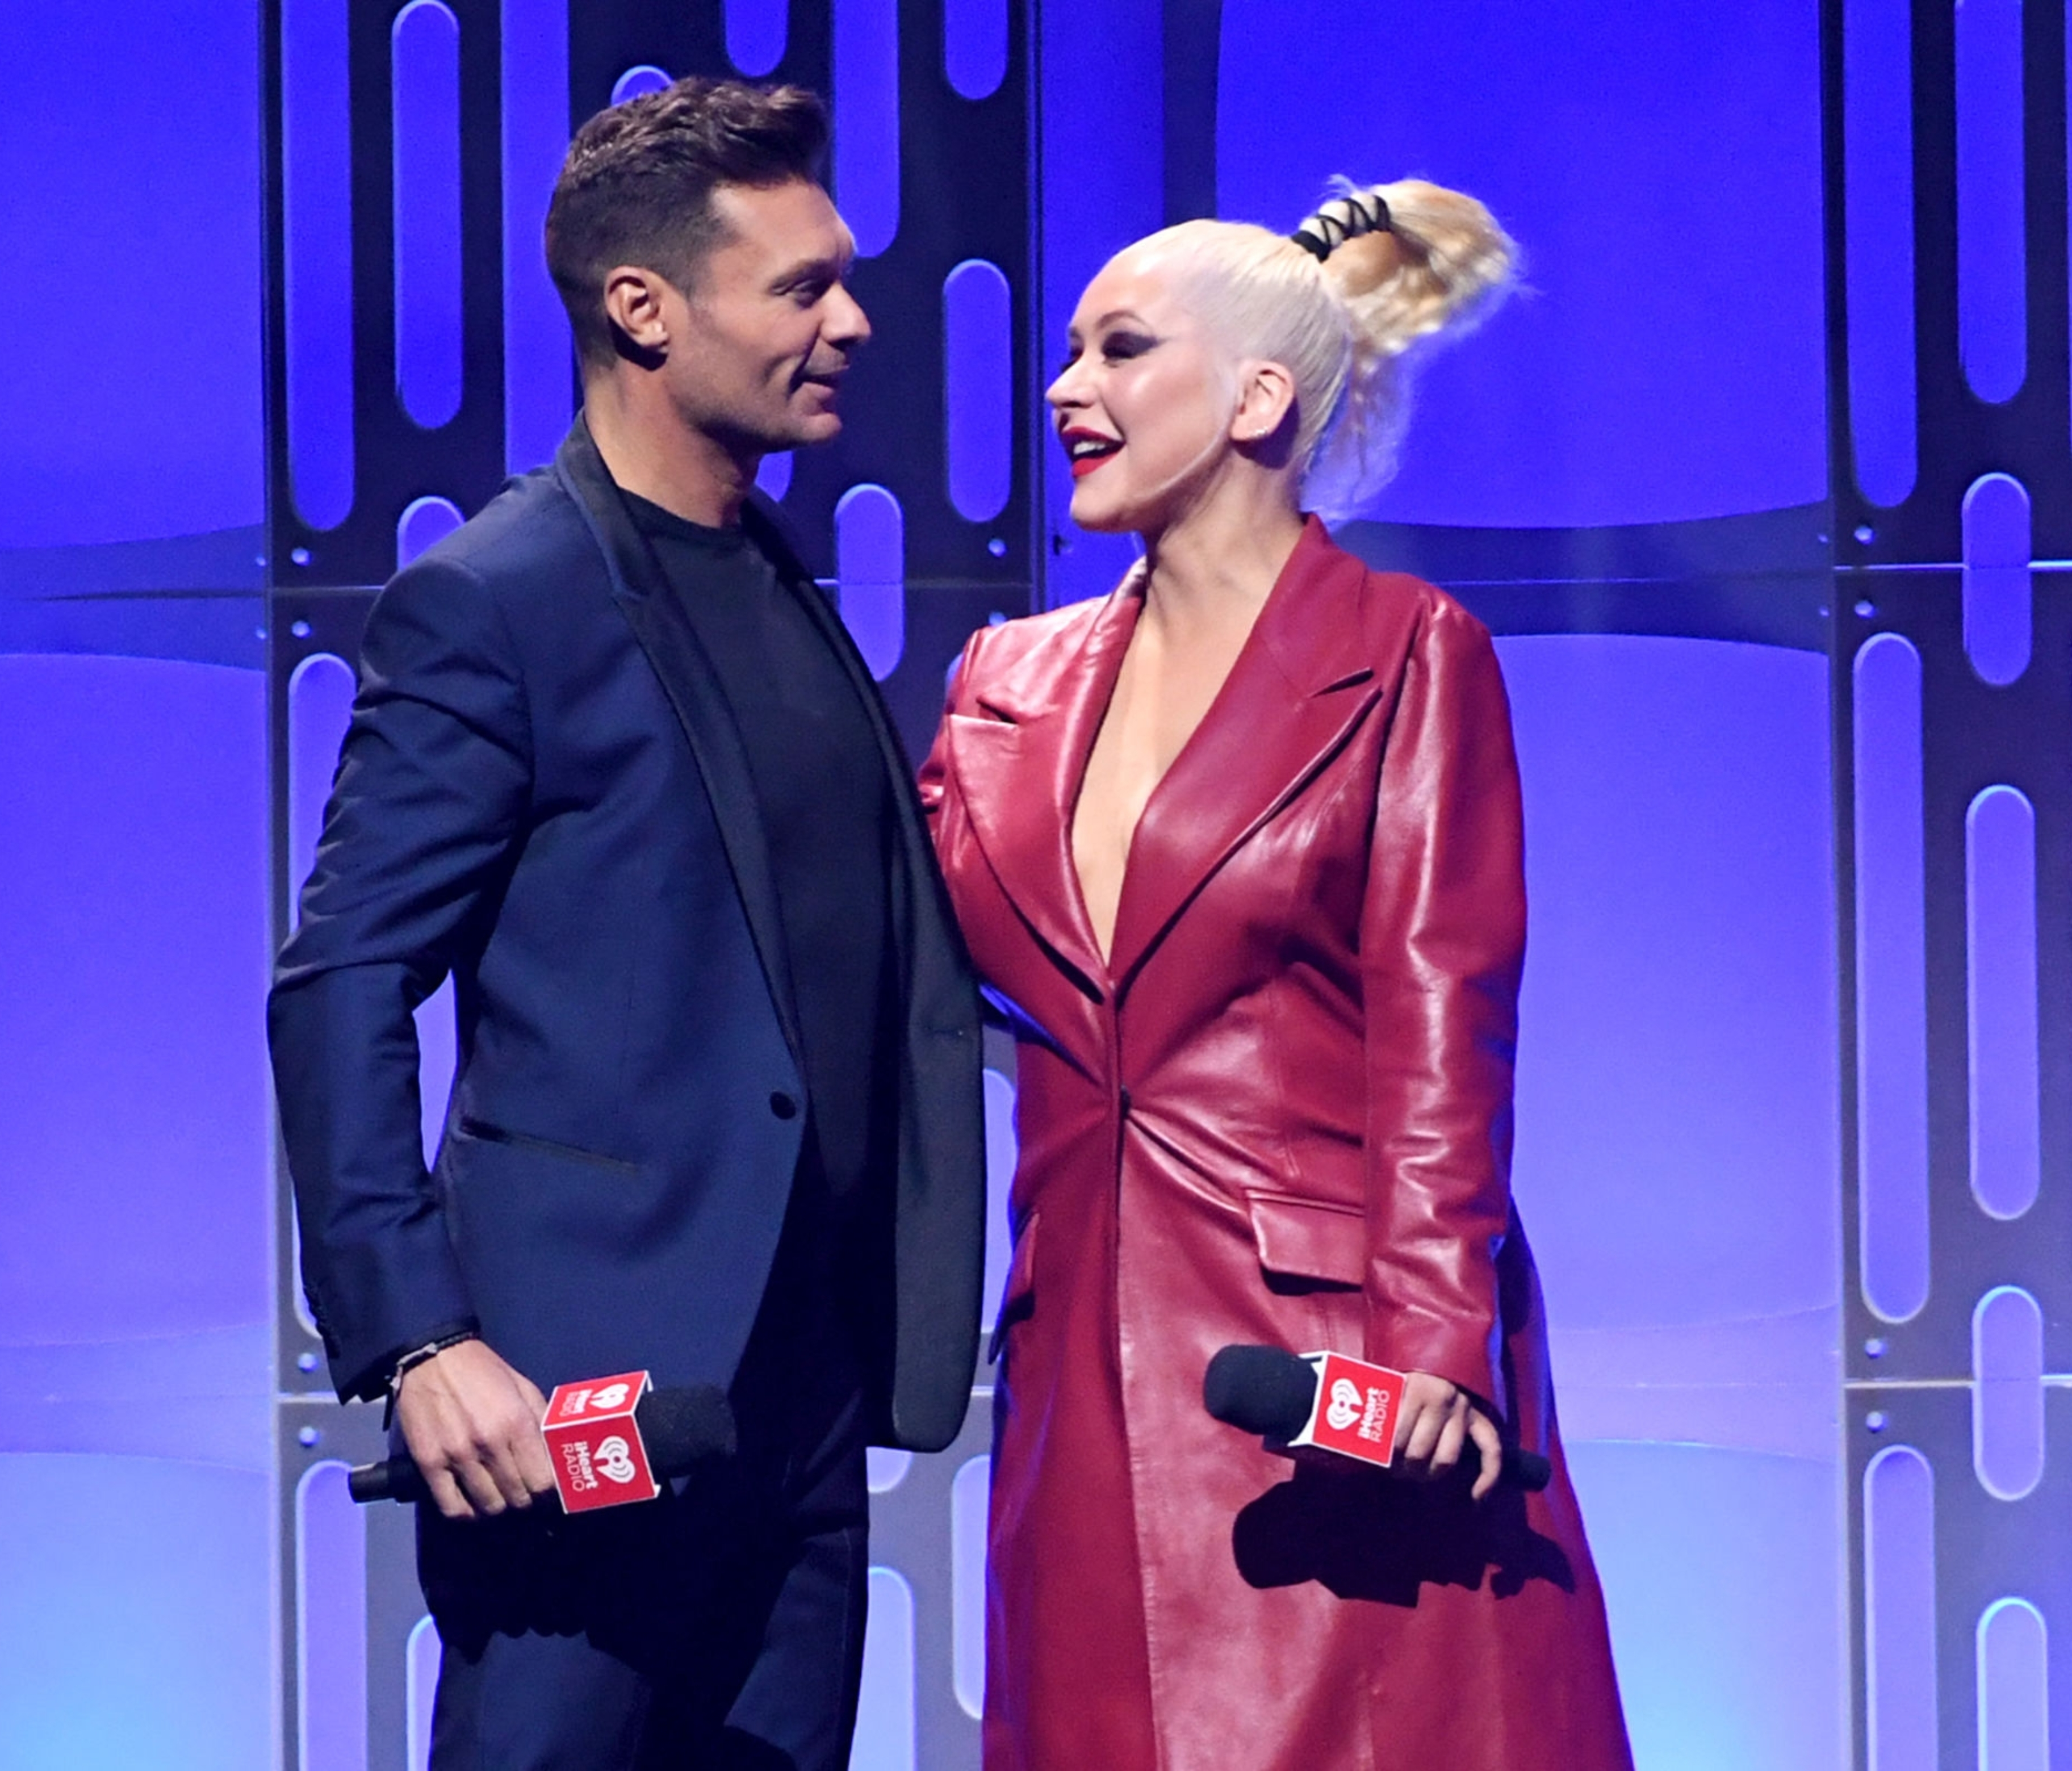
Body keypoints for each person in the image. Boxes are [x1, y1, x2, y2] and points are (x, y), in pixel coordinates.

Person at [268, 78, 986, 1770]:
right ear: (644, 308)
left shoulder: (781, 577)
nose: (853, 323)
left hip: (798, 1414)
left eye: (845, 279)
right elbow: (343, 977)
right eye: (803, 287)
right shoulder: (497, 599)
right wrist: (418, 1337)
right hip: (579, 1400)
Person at [920, 182, 1635, 1769]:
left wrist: (1438, 1347)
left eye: (1120, 350)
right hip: (1078, 1369)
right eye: (1067, 353)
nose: (1066, 389)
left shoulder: (1406, 649)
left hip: (1328, 1367)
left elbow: (1446, 1026)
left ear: (1258, 399)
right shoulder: (1003, 684)